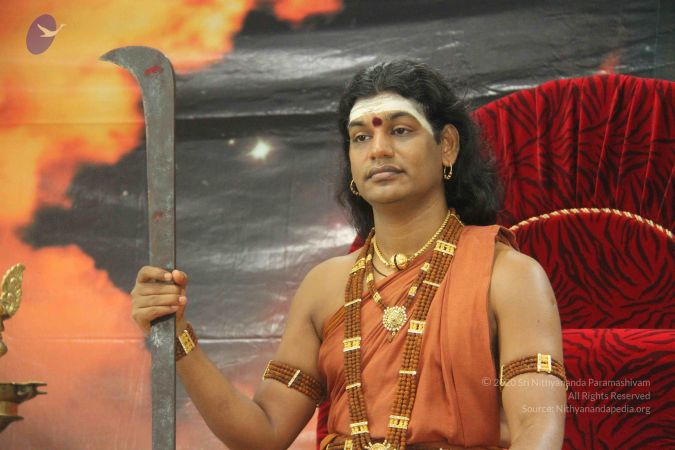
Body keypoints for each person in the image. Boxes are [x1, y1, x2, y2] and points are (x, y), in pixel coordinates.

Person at [131, 60, 567, 450]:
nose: (378, 149)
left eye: (400, 130)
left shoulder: (508, 275)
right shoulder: (325, 285)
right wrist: (177, 336)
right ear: (352, 164)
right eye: (361, 137)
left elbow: (537, 429)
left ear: (447, 145)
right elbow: (262, 434)